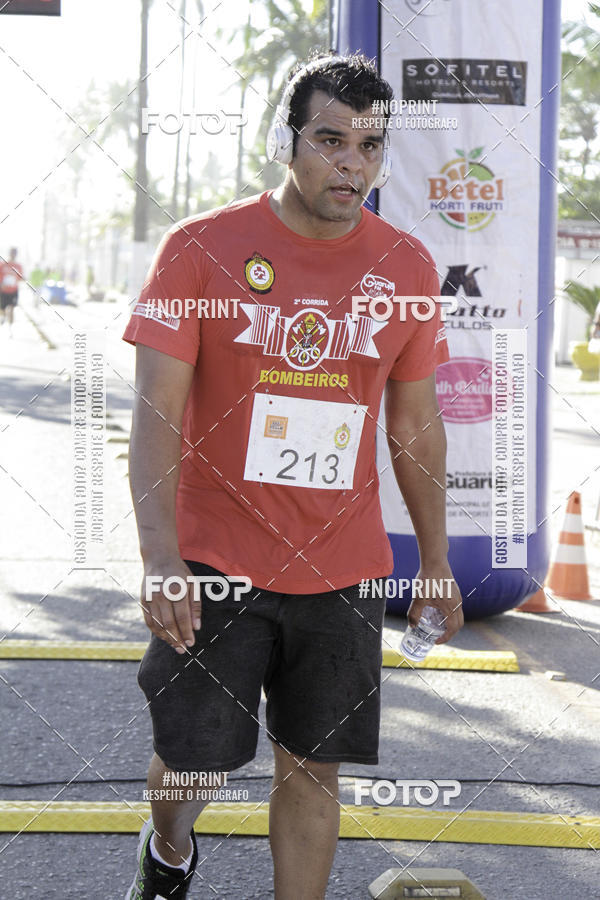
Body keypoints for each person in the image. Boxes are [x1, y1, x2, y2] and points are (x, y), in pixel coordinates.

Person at [123, 52, 463, 900]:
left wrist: (435, 560)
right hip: (216, 560)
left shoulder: (409, 271)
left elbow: (415, 425)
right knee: (195, 765)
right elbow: (156, 413)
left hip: (341, 567)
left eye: (370, 147)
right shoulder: (200, 250)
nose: (352, 163)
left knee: (314, 771)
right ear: (287, 142)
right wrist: (161, 557)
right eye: (331, 139)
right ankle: (167, 850)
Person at [0, 248, 24, 335]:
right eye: (12, 253)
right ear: (9, 253)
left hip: (13, 290)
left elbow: (20, 278)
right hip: (3, 290)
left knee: (12, 308)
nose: (13, 254)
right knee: (2, 308)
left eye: (14, 253)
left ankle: (10, 329)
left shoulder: (18, 266)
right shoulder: (3, 264)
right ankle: (2, 317)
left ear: (16, 254)